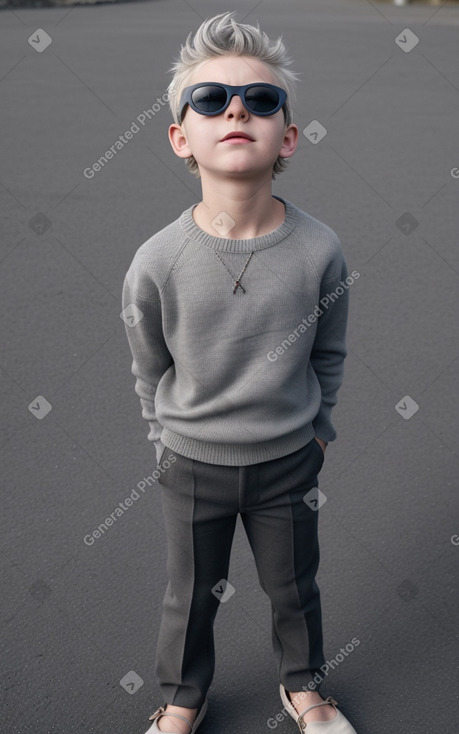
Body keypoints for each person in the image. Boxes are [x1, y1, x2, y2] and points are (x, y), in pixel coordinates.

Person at [122, 11, 357, 734]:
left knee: (293, 587)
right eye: (208, 98)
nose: (233, 108)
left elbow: (328, 351)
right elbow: (148, 363)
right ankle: (182, 696)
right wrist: (165, 438)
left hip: (289, 461)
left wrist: (316, 432)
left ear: (286, 136)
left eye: (259, 100)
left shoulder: (320, 250)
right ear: (179, 137)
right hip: (191, 464)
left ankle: (304, 689)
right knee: (189, 593)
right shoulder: (156, 260)